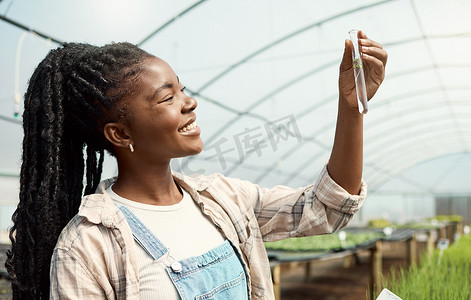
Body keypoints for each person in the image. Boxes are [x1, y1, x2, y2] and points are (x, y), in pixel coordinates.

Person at [6, 30, 387, 299]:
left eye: (182, 89)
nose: (189, 103)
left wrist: (351, 109)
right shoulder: (87, 247)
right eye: (166, 97)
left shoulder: (225, 199)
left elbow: (325, 209)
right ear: (120, 134)